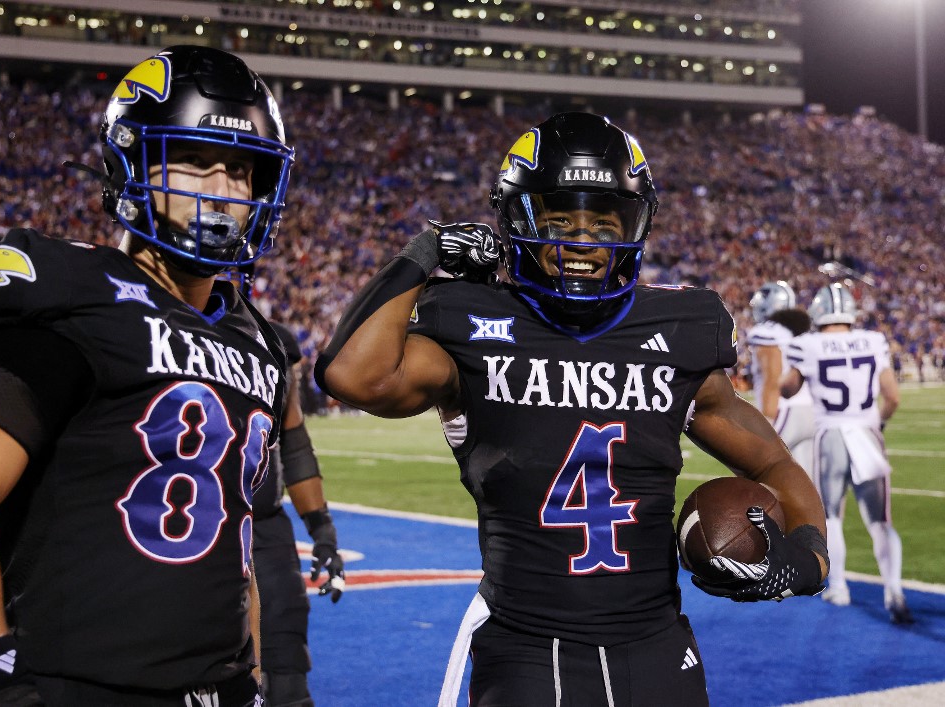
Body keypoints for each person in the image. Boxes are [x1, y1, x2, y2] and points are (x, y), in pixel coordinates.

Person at [315, 112, 829, 706]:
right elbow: (354, 376)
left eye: (604, 220)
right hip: (527, 645)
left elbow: (773, 463)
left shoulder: (680, 328)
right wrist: (426, 251)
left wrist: (809, 556)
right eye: (559, 220)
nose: (582, 241)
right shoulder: (473, 319)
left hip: (656, 642)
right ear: (517, 219)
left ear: (635, 225)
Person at [0, 45, 296, 706]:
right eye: (193, 160)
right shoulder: (72, 296)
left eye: (240, 170)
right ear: (133, 162)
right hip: (85, 684)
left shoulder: (258, 341)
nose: (221, 189)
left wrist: (255, 675)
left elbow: (235, 541)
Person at [781, 283, 910, 623]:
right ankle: (893, 589)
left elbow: (787, 386)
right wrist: (876, 425)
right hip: (866, 433)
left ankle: (839, 587)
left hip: (831, 434)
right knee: (881, 521)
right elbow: (893, 396)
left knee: (832, 516)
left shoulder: (806, 344)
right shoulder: (873, 339)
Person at [248, 308, 346, 707]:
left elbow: (293, 441)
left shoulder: (271, 340)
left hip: (263, 527)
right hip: (190, 533)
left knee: (287, 675)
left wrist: (322, 531)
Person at [746, 281, 816, 484]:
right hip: (812, 412)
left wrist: (767, 421)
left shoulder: (767, 331)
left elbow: (771, 379)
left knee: (759, 477)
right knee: (806, 486)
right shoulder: (802, 330)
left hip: (786, 411)